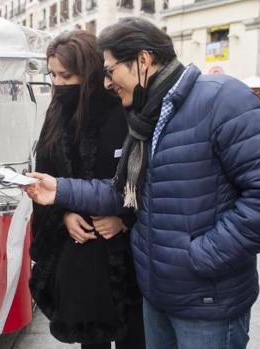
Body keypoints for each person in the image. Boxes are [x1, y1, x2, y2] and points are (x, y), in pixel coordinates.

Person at [24, 17, 260, 349]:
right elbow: (126, 191)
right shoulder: (148, 115)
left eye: (110, 71)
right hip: (157, 296)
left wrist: (201, 257)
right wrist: (60, 191)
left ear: (143, 60)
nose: (106, 83)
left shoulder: (222, 100)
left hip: (207, 302)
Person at [30, 30, 144, 349]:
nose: (58, 83)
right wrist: (65, 214)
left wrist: (124, 221)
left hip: (128, 256)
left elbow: (148, 181)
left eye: (66, 75)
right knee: (90, 340)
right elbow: (48, 175)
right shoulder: (55, 114)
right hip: (81, 255)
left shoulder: (124, 109)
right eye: (53, 74)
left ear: (90, 71)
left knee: (135, 336)